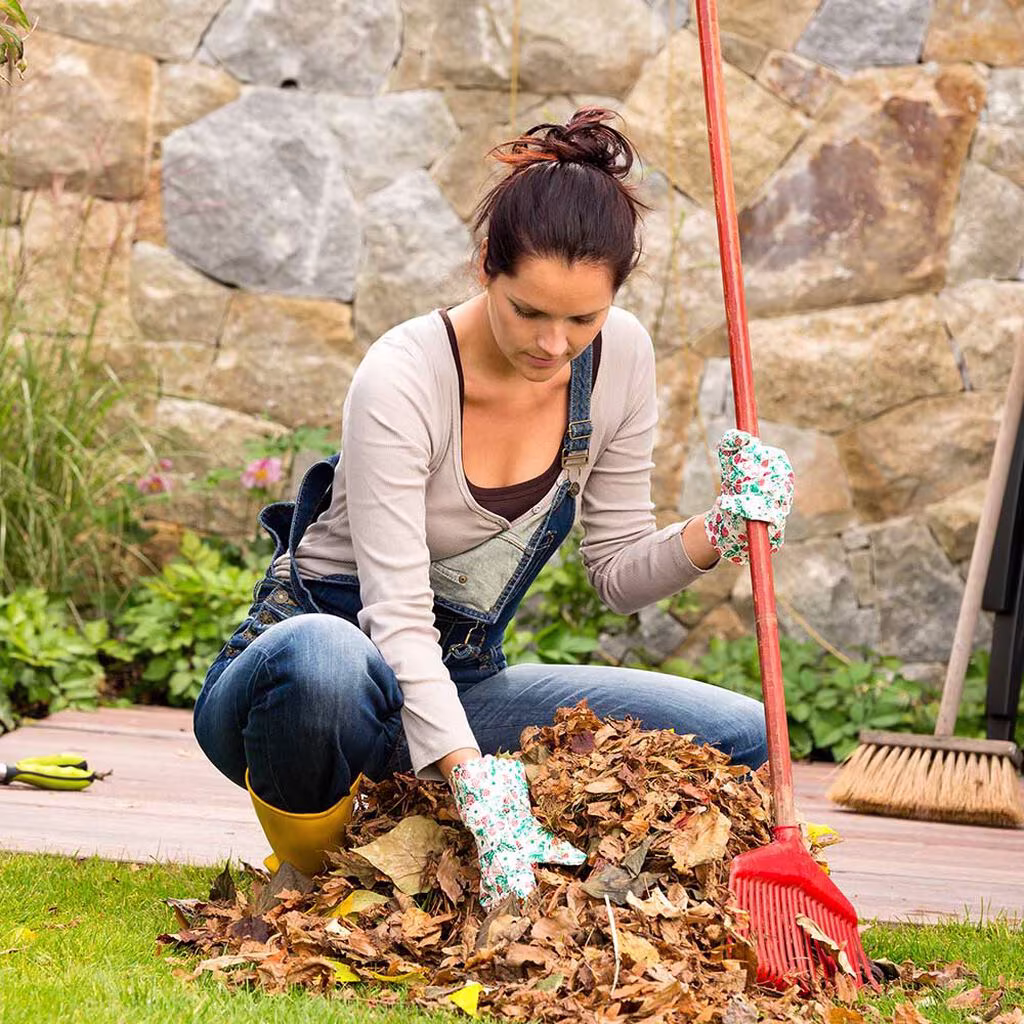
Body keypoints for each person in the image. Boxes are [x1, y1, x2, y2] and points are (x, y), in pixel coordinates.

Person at [193, 108, 794, 909]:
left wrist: (719, 530)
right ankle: (319, 879)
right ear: (486, 268)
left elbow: (615, 573)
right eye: (530, 312)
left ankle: (490, 861)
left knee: (744, 733)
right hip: (309, 686)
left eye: (583, 318)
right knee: (324, 662)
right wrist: (479, 782)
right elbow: (396, 620)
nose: (554, 345)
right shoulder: (402, 378)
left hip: (456, 682)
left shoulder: (621, 360)